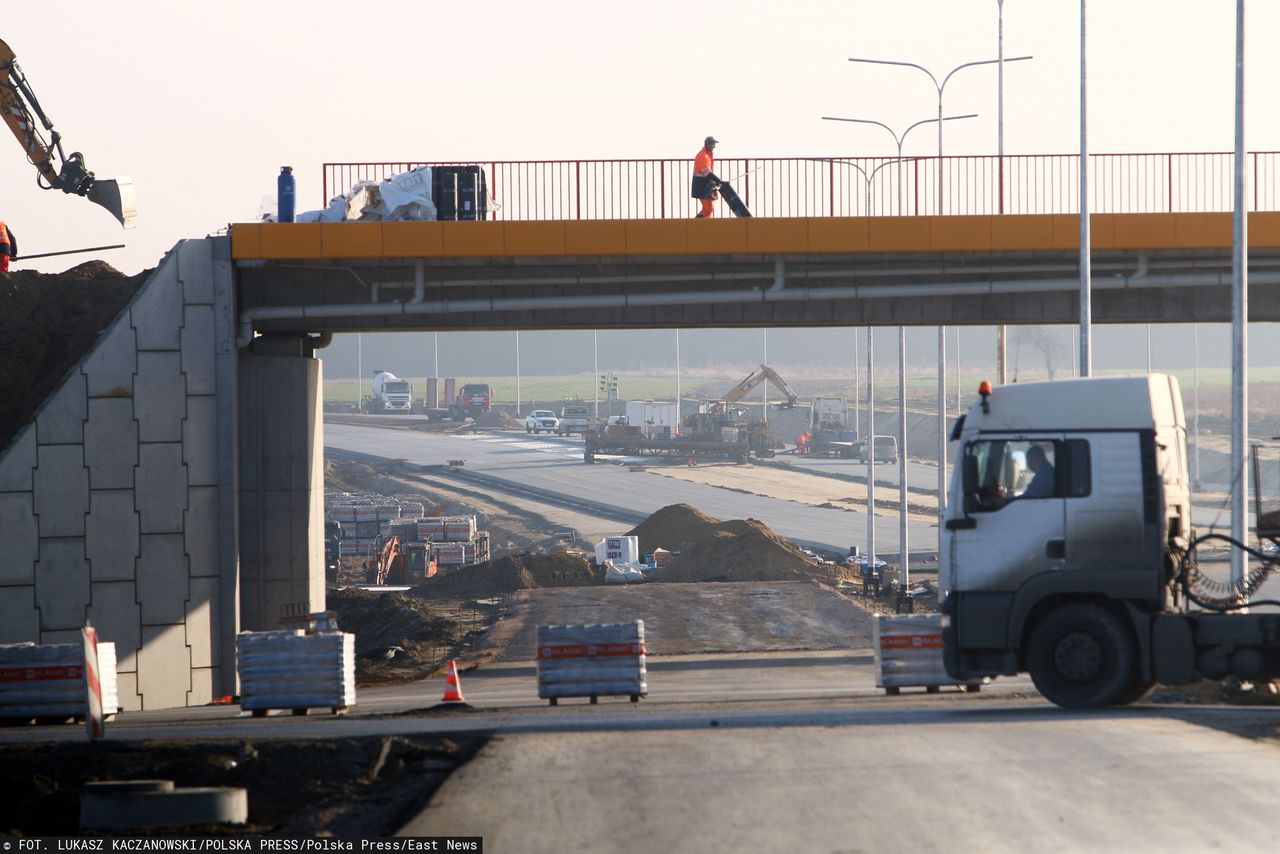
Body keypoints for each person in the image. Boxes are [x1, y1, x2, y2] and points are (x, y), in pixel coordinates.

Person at [691, 136, 720, 218]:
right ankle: (696, 224)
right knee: (708, 208)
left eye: (714, 144)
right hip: (702, 186)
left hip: (706, 186)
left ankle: (702, 225)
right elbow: (707, 172)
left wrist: (717, 181)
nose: (713, 146)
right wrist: (718, 181)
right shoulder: (702, 156)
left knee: (708, 209)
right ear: (706, 144)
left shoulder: (707, 155)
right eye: (711, 144)